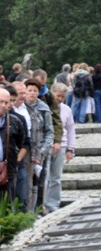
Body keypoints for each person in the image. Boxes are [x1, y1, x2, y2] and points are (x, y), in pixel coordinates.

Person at [20, 78, 54, 212]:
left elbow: (49, 131)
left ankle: (38, 208)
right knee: (27, 183)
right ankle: (28, 210)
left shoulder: (44, 109)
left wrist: (43, 150)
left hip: (41, 151)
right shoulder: (21, 108)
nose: (32, 93)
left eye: (35, 91)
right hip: (26, 150)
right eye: (29, 91)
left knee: (40, 182)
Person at [47, 83, 75, 211]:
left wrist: (70, 148)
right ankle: (42, 203)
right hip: (47, 145)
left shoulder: (67, 109)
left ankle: (53, 203)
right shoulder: (46, 107)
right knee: (44, 176)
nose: (59, 99)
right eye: (58, 96)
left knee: (56, 177)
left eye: (62, 97)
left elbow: (70, 130)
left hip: (62, 145)